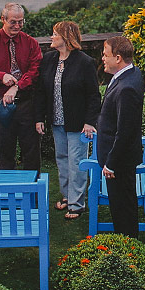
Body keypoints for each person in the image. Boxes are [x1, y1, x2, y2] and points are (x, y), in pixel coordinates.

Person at [34, 21, 101, 220]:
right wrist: (39, 118)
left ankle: (77, 204)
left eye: (55, 34)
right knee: (61, 159)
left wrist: (90, 122)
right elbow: (40, 92)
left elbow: (93, 95)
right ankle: (66, 196)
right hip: (56, 121)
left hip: (78, 123)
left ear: (66, 38)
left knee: (77, 162)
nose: (51, 37)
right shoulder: (48, 59)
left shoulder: (85, 62)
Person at [0, 2, 42, 172]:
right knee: (4, 154)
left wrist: (17, 87)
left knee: (32, 154)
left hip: (26, 104)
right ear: (2, 19)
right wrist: (0, 76)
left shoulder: (31, 43)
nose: (17, 26)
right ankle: (8, 197)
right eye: (13, 22)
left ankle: (33, 196)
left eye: (21, 21)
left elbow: (36, 71)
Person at [96, 36, 145, 237]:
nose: (102, 59)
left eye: (105, 55)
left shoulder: (127, 88)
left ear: (118, 58)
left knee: (123, 208)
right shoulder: (130, 74)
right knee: (124, 205)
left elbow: (126, 132)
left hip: (119, 162)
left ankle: (128, 248)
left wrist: (111, 163)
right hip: (120, 159)